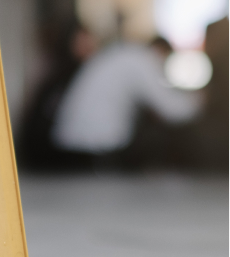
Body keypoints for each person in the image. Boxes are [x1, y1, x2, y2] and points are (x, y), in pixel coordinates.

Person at [51, 37, 202, 171]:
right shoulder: (143, 60)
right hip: (96, 151)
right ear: (161, 52)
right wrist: (200, 99)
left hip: (69, 145)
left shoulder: (121, 54)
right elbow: (172, 110)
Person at [17, 18, 97, 170]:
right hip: (53, 155)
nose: (91, 46)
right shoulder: (66, 76)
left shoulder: (62, 73)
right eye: (84, 41)